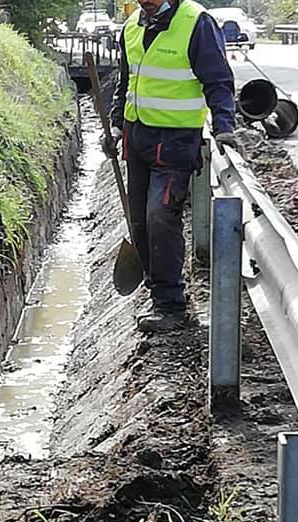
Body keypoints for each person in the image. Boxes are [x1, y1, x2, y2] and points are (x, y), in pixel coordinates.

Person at [102, 0, 238, 331]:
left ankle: (172, 306)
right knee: (139, 223)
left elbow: (218, 80)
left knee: (159, 216)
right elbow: (127, 81)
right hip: (137, 139)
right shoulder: (132, 26)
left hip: (176, 141)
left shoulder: (196, 23)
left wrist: (224, 126)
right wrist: (116, 124)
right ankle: (157, 291)